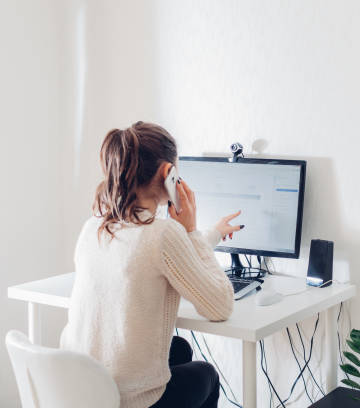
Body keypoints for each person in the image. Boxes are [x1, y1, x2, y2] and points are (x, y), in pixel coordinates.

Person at [60, 121, 240, 408]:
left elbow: (167, 259)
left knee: (179, 349)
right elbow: (220, 306)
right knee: (207, 375)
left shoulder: (93, 227)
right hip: (128, 401)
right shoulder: (164, 234)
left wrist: (212, 234)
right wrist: (190, 231)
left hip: (84, 391)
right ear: (168, 173)